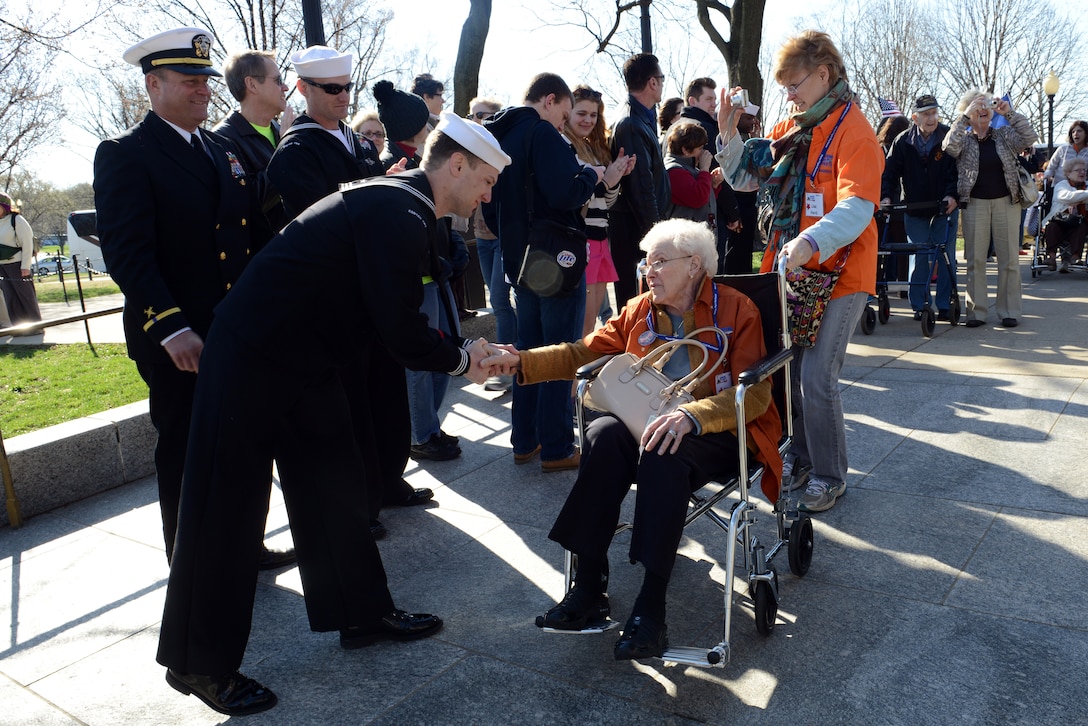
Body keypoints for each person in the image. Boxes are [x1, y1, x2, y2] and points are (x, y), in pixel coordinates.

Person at [156, 113, 510, 717]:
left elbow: (387, 315)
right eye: (486, 180)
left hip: (302, 358)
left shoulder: (402, 205)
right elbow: (397, 324)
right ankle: (197, 662)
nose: (487, 194)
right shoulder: (397, 210)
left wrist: (456, 352)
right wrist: (462, 358)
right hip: (252, 356)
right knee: (228, 506)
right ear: (457, 164)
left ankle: (360, 612)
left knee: (335, 484)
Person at [484, 219, 781, 661]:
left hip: (716, 431)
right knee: (602, 432)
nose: (647, 270)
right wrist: (519, 362)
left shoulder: (738, 310)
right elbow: (581, 353)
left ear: (694, 265)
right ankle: (588, 587)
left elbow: (755, 394)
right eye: (646, 261)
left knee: (663, 449)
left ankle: (651, 605)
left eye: (660, 261)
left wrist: (692, 416)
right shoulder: (640, 310)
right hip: (650, 422)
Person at [93, 27, 287, 565]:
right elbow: (130, 254)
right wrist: (172, 327)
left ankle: (245, 542)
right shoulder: (125, 154)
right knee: (184, 447)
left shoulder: (222, 149)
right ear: (153, 85)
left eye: (205, 79)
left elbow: (252, 236)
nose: (203, 89)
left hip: (234, 328)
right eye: (188, 80)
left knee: (243, 443)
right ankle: (190, 557)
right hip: (178, 335)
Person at [268, 46, 429, 536]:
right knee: (351, 403)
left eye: (346, 87)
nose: (342, 97)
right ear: (304, 90)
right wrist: (373, 185)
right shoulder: (297, 150)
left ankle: (386, 478)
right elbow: (321, 216)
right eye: (331, 89)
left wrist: (386, 181)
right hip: (335, 295)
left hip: (371, 289)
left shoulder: (356, 143)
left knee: (384, 393)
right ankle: (358, 501)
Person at [749, 30, 883, 513]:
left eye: (793, 83)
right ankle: (802, 459)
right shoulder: (799, 125)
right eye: (784, 85)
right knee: (794, 373)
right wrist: (726, 136)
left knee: (817, 376)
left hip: (842, 273)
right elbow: (753, 173)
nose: (787, 93)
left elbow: (858, 207)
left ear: (823, 75)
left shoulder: (856, 131)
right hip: (803, 274)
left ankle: (830, 476)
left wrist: (809, 241)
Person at [482, 73, 602, 472]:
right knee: (558, 352)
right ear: (549, 100)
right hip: (554, 260)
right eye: (564, 113)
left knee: (526, 350)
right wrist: (589, 174)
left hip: (517, 259)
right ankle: (556, 446)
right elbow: (565, 192)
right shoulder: (542, 133)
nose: (563, 123)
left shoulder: (498, 136)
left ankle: (524, 440)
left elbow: (488, 206)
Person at [374, 79, 466, 461]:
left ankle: (428, 424)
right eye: (425, 123)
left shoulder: (423, 160)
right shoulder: (392, 165)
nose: (431, 128)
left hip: (436, 272)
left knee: (445, 356)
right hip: (417, 277)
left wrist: (454, 247)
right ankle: (421, 433)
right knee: (420, 363)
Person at [942, 88, 1037, 328]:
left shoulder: (1003, 134)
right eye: (976, 105)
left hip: (1007, 201)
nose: (982, 109)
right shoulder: (964, 139)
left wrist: (1010, 113)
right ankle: (977, 312)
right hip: (975, 204)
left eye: (986, 104)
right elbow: (948, 147)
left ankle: (1009, 311)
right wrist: (964, 118)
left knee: (1009, 260)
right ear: (968, 110)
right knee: (975, 260)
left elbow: (1028, 137)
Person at [880, 94, 960, 321]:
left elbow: (958, 170)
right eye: (926, 114)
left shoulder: (947, 136)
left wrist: (952, 196)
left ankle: (944, 304)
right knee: (922, 254)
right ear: (915, 118)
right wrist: (886, 197)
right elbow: (890, 173)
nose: (931, 118)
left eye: (934, 113)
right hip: (914, 208)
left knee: (945, 256)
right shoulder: (903, 141)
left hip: (944, 207)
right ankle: (920, 304)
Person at [564, 84, 635, 336]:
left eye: (593, 115)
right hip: (582, 241)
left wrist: (615, 179)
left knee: (590, 323)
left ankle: (578, 375)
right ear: (567, 112)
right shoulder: (564, 147)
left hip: (600, 238)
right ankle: (572, 375)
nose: (588, 120)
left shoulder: (593, 149)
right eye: (581, 113)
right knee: (581, 327)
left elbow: (606, 202)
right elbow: (571, 197)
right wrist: (606, 181)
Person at [212, 50, 293, 244]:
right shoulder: (222, 140)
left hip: (300, 250)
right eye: (277, 80)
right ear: (252, 84)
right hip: (264, 261)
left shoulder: (282, 130)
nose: (286, 87)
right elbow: (247, 203)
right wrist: (285, 150)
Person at [610, 53, 671, 306]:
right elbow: (641, 188)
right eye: (661, 79)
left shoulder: (636, 118)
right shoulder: (632, 123)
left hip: (635, 232)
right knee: (638, 306)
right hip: (635, 234)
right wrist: (655, 238)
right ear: (652, 82)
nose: (662, 84)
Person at [468, 96, 516, 391]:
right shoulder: (468, 150)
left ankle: (504, 366)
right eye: (473, 115)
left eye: (483, 115)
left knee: (499, 300)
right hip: (480, 239)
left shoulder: (503, 154)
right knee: (497, 302)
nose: (477, 120)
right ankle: (516, 354)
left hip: (503, 238)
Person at [679, 77, 740, 271]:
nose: (714, 104)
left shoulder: (676, 127)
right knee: (710, 273)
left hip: (681, 213)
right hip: (708, 212)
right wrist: (733, 213)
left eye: (715, 99)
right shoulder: (703, 129)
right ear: (692, 101)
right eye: (708, 99)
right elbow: (719, 176)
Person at [0, 192, 41, 326]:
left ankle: (35, 326)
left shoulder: (16, 220)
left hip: (17, 264)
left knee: (25, 296)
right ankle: (18, 328)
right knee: (10, 297)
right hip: (2, 266)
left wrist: (25, 266)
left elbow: (27, 244)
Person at [663, 121, 715, 225]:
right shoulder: (674, 171)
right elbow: (698, 198)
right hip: (685, 235)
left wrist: (714, 183)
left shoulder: (688, 167)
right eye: (700, 148)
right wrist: (704, 169)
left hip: (695, 233)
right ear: (685, 150)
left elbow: (706, 199)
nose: (703, 152)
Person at [1040, 156, 1088, 271]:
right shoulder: (1061, 185)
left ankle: (1075, 257)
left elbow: (1071, 197)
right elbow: (1065, 196)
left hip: (1079, 222)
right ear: (1069, 173)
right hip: (1060, 220)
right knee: (1052, 226)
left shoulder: (1086, 185)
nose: (1082, 172)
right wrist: (1080, 198)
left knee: (1082, 226)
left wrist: (1076, 199)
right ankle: (1051, 257)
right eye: (1078, 170)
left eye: (1084, 170)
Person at [1043, 120, 1088, 184]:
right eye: (1073, 132)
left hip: (1080, 189)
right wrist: (1047, 176)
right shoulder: (1063, 149)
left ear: (1086, 133)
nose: (1075, 134)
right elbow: (1050, 168)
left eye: (1079, 131)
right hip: (1060, 187)